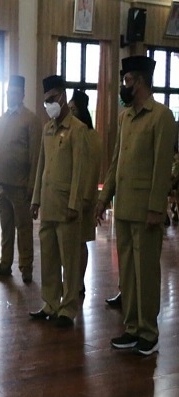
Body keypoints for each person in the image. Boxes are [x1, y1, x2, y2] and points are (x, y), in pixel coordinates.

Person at [95, 56, 176, 356]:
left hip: (146, 211)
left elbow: (161, 166)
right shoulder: (124, 117)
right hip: (124, 208)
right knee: (127, 272)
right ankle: (131, 328)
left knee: (146, 272)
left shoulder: (161, 116)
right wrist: (104, 199)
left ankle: (148, 332)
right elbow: (116, 162)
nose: (124, 86)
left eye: (127, 80)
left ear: (139, 81)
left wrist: (157, 207)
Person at [29, 75, 88, 329]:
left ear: (63, 96)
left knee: (70, 261)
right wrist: (35, 200)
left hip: (67, 208)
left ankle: (68, 307)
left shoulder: (78, 129)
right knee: (49, 258)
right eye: (46, 102)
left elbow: (79, 171)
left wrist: (75, 203)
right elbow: (41, 166)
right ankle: (50, 303)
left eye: (52, 99)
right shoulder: (47, 129)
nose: (49, 105)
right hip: (48, 205)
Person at [0, 75, 42, 284]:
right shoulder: (2, 119)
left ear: (22, 94)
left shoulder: (31, 120)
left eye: (14, 92)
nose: (10, 95)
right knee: (6, 227)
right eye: (8, 92)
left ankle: (26, 266)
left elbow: (35, 155)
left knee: (24, 228)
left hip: (21, 187)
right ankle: (5, 262)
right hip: (2, 185)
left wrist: (32, 187)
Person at [68, 90, 102, 289]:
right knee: (70, 243)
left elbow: (92, 169)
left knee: (80, 242)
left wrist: (87, 197)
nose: (70, 113)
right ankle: (72, 280)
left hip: (84, 197)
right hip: (71, 196)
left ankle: (79, 282)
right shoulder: (73, 133)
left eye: (74, 109)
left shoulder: (91, 136)